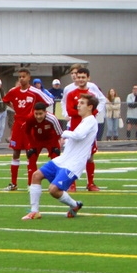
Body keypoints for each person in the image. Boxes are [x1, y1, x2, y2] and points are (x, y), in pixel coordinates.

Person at [21, 93, 97, 221]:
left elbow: (79, 135)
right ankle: (34, 212)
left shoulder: (91, 121)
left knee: (53, 190)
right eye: (79, 102)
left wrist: (65, 133)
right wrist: (67, 141)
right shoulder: (84, 121)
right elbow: (77, 139)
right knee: (36, 175)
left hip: (73, 164)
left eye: (82, 103)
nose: (78, 105)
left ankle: (74, 205)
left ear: (90, 107)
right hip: (63, 159)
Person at [2, 68, 53, 191]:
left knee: (31, 154)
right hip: (17, 125)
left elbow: (49, 101)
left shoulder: (34, 91)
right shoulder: (14, 91)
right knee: (16, 152)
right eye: (19, 77)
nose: (21, 79)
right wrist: (14, 107)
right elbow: (6, 100)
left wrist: (36, 112)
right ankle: (13, 183)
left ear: (29, 77)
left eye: (23, 76)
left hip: (30, 126)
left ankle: (31, 183)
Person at [62, 66, 105, 191]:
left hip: (89, 128)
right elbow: (70, 111)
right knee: (72, 156)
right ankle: (72, 184)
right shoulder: (71, 93)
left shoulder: (92, 95)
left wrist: (93, 112)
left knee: (90, 156)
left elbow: (96, 107)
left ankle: (90, 183)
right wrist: (84, 112)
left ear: (88, 78)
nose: (80, 79)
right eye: (79, 77)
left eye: (83, 77)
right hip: (75, 126)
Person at [24, 102, 62, 186]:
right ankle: (32, 184)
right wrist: (31, 145)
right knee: (31, 157)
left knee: (56, 158)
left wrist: (56, 146)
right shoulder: (30, 118)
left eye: (40, 114)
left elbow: (59, 133)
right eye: (36, 114)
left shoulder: (52, 118)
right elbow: (27, 132)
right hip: (36, 139)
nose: (38, 116)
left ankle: (57, 184)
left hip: (51, 139)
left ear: (45, 112)